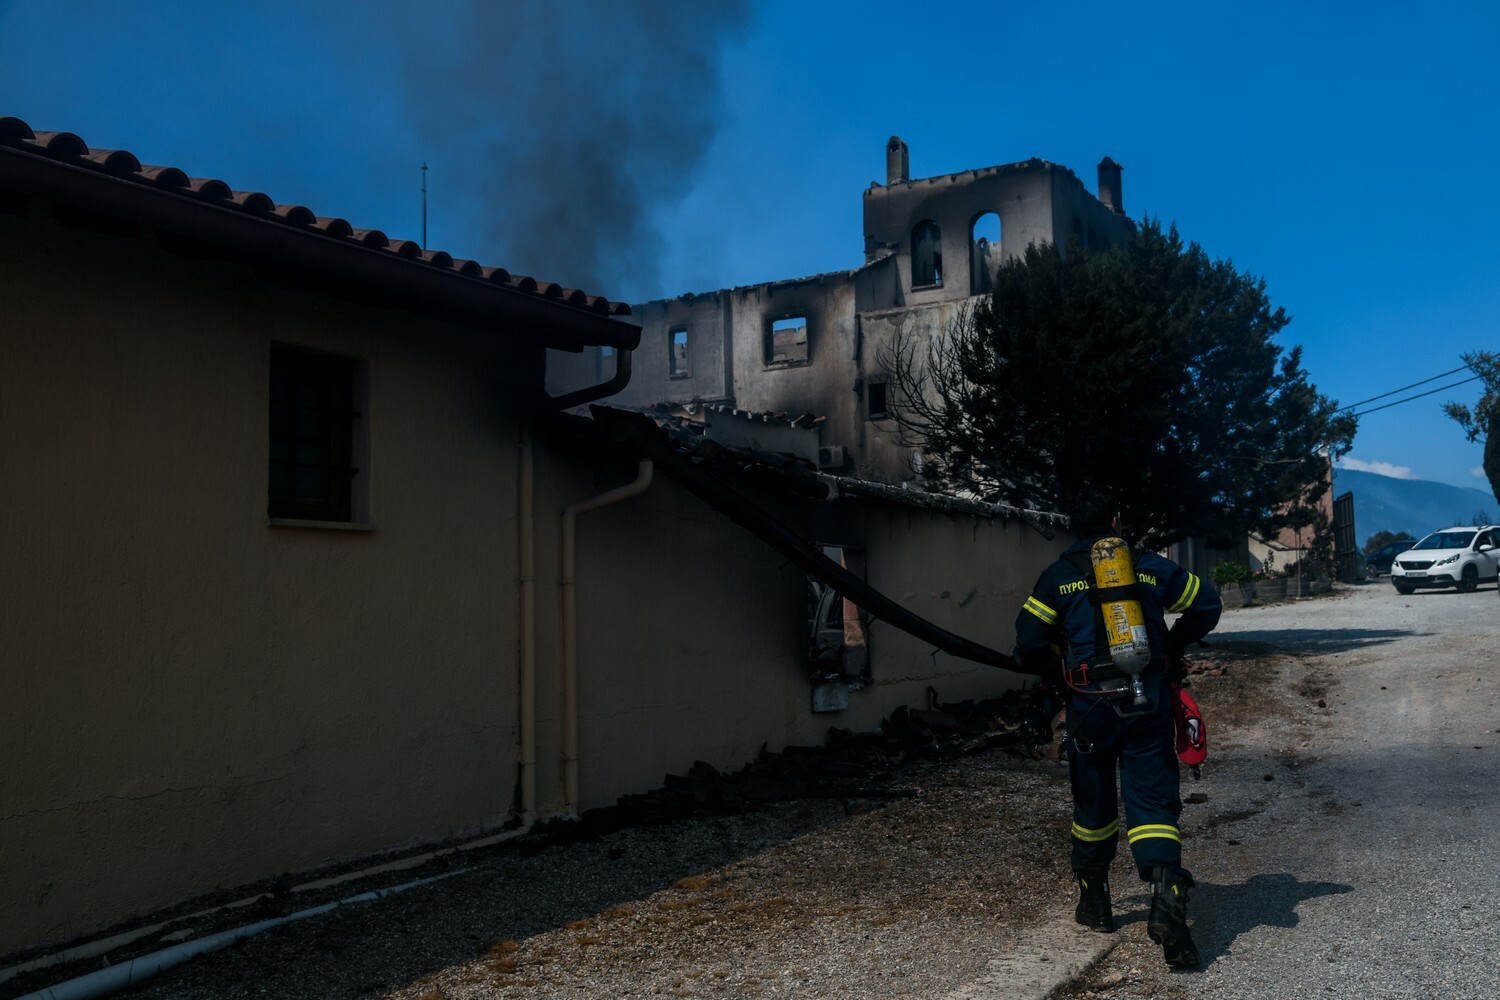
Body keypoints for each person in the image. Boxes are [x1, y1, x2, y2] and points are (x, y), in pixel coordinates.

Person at [1013, 500, 1221, 968]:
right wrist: (1172, 641)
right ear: (1115, 524)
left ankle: (1095, 900)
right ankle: (1166, 888)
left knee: (1093, 804)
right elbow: (1207, 602)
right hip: (1146, 698)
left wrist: (1057, 667)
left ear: (1071, 525)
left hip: (1090, 706)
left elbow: (1027, 642)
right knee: (1152, 799)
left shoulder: (1056, 576)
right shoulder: (1148, 566)